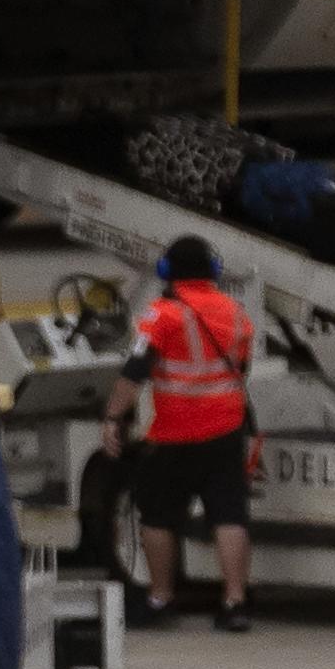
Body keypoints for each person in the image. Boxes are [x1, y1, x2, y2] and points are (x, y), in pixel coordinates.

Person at [127, 235, 259, 634]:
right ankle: (234, 603)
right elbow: (242, 367)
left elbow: (134, 372)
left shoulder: (160, 315)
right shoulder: (236, 313)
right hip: (225, 431)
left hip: (173, 436)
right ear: (213, 271)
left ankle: (161, 598)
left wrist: (113, 417)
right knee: (229, 515)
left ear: (167, 271)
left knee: (157, 517)